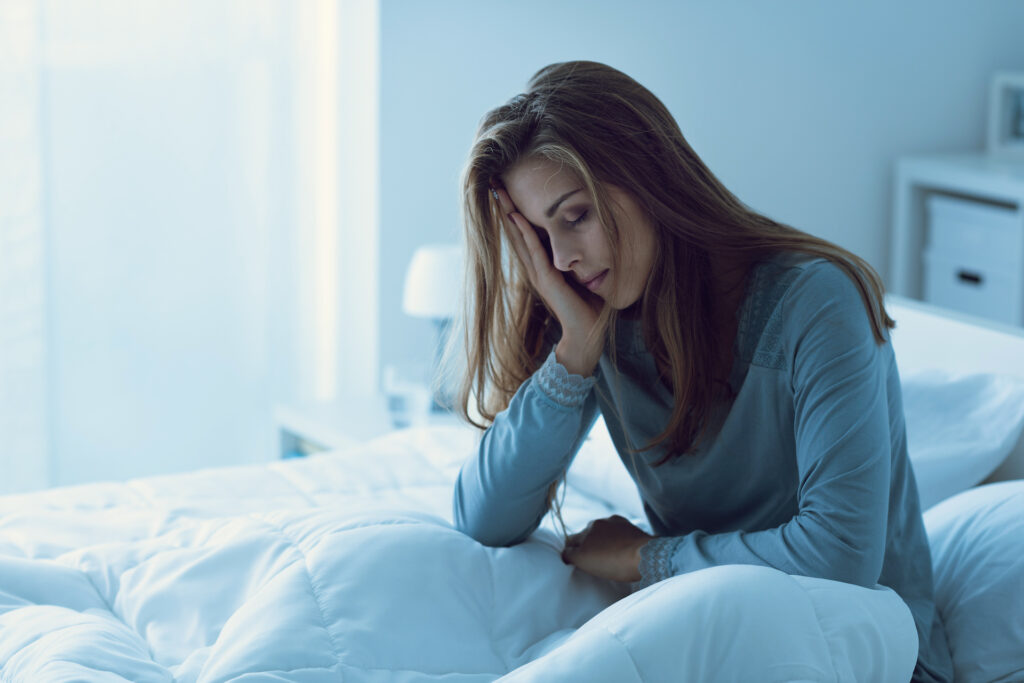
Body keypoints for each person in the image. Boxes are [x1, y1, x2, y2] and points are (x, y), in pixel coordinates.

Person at [449, 60, 952, 682]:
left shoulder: (815, 300)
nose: (564, 258)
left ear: (648, 176)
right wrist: (574, 353)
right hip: (709, 634)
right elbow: (483, 518)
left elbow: (840, 556)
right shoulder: (596, 314)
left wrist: (645, 557)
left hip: (869, 652)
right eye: (540, 236)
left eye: (575, 216)